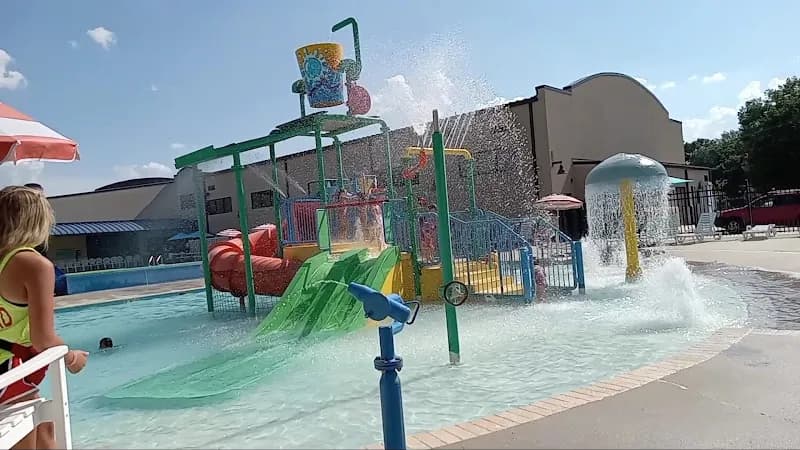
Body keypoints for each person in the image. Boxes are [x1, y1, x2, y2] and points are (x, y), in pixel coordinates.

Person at [0, 186, 88, 449]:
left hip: (10, 371)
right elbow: (42, 339)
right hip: (7, 373)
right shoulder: (34, 264)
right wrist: (72, 358)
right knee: (31, 431)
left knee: (46, 428)